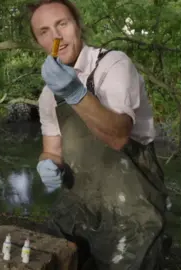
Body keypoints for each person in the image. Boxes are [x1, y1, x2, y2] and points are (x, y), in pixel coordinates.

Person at [28, 1, 170, 269]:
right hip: (78, 205)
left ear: (78, 26)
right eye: (44, 31)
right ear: (38, 42)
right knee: (44, 258)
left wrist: (74, 92)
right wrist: (46, 164)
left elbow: (118, 135)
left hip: (134, 209)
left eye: (62, 24)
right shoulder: (48, 95)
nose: (56, 36)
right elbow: (52, 150)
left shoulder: (113, 64)